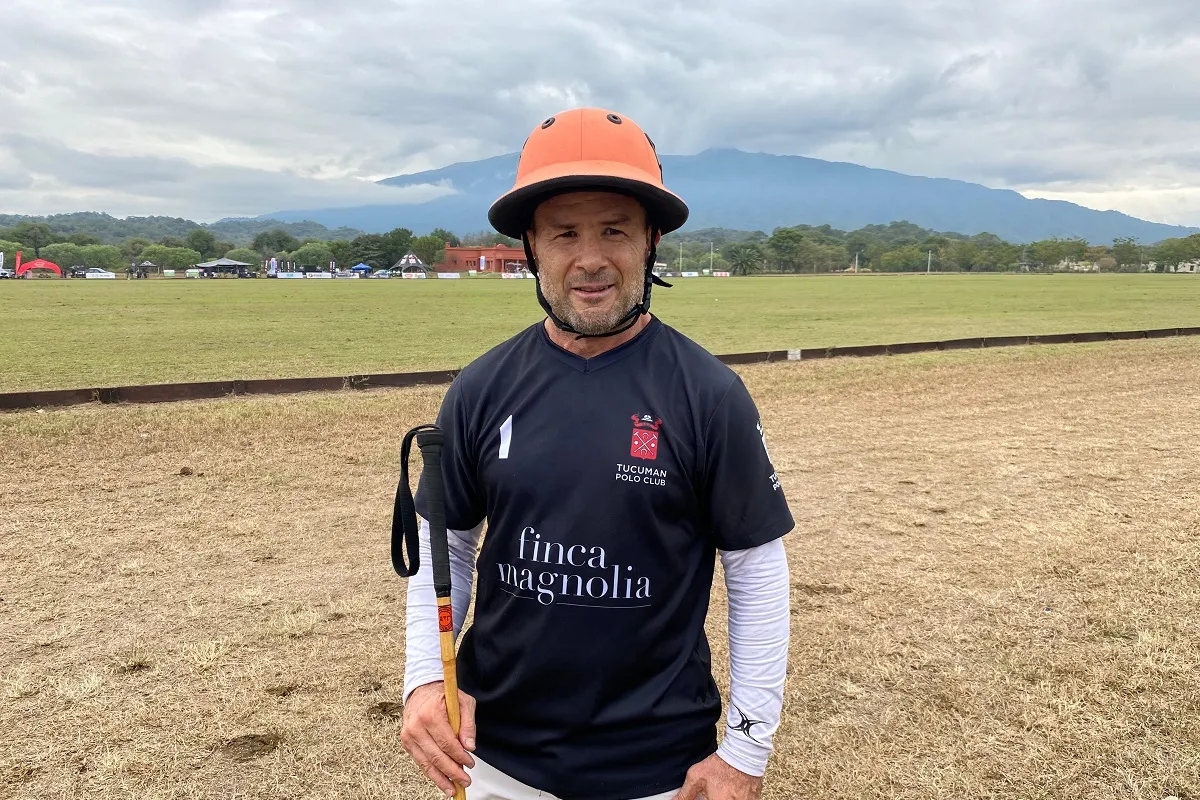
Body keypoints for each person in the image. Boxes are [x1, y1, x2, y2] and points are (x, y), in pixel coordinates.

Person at [402, 107, 793, 800]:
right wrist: (425, 680)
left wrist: (746, 749)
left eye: (614, 229)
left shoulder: (709, 394)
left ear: (651, 241)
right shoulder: (482, 386)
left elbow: (756, 574)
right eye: (564, 233)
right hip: (493, 753)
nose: (589, 259)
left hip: (657, 766)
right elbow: (451, 544)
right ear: (531, 244)